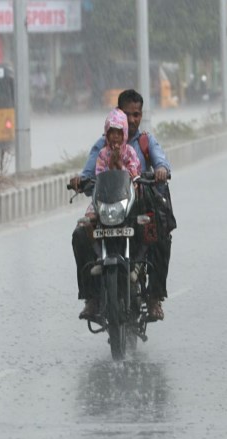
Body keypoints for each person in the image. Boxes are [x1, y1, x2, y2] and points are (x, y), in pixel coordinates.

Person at [70, 89, 175, 321]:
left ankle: (155, 297)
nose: (133, 119)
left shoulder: (146, 142)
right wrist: (79, 180)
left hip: (136, 207)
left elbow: (162, 163)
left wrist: (160, 171)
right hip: (107, 207)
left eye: (137, 114)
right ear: (117, 116)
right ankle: (92, 298)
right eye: (128, 114)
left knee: (161, 234)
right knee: (80, 235)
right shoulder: (102, 145)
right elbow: (89, 175)